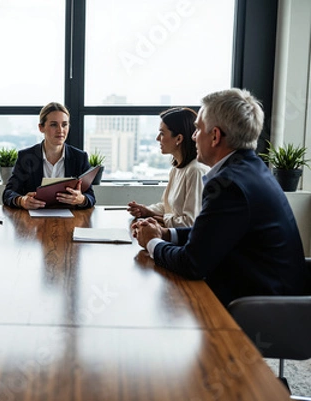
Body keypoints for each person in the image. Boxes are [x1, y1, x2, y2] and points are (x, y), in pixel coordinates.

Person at [132, 88, 311, 306]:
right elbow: (212, 233)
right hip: (269, 297)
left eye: (198, 129)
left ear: (215, 136)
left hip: (261, 310)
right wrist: (167, 234)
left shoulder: (230, 184)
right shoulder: (252, 169)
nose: (193, 136)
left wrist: (152, 242)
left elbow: (192, 264)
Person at [2, 102, 96, 209]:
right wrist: (21, 201)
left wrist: (81, 199)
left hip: (70, 221)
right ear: (41, 128)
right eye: (53, 125)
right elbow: (8, 193)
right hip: (33, 221)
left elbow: (91, 196)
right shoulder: (26, 157)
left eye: (64, 125)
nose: (60, 130)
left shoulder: (79, 157)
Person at [127, 108, 209, 227]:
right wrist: (147, 210)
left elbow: (191, 222)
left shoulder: (195, 171)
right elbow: (168, 208)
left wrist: (160, 219)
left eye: (162, 133)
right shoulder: (176, 169)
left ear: (179, 139)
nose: (157, 138)